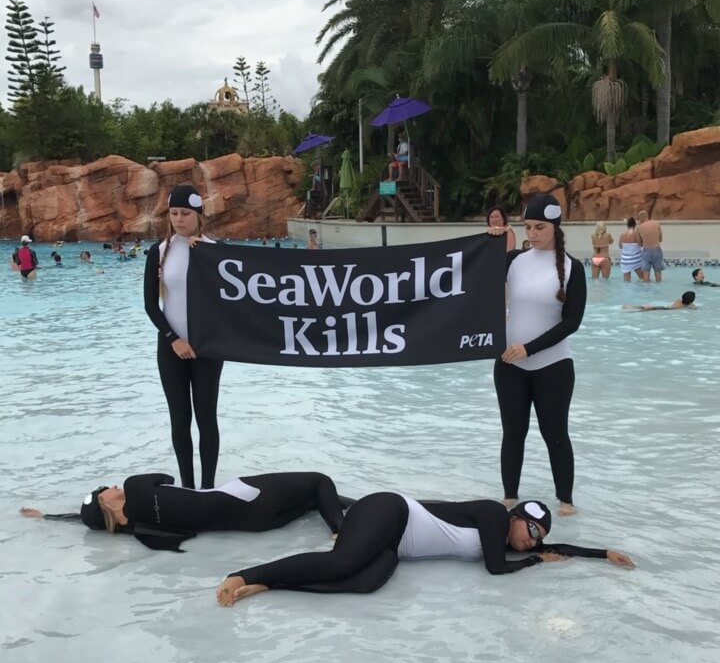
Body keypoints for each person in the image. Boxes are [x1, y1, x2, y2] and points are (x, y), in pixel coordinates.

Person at [215, 495, 634, 605]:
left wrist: (601, 554)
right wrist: (533, 562)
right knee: (342, 562)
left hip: (394, 543)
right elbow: (494, 570)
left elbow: (556, 549)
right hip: (391, 511)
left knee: (366, 582)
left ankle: (273, 586)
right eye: (530, 529)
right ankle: (246, 574)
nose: (534, 540)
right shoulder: (492, 515)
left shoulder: (510, 541)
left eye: (539, 536)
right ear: (513, 517)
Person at [488, 193, 587, 517]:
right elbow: (473, 280)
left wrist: (529, 348)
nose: (532, 233)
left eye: (539, 227)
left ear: (555, 227)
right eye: (528, 226)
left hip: (553, 366)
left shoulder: (573, 269)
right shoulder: (512, 260)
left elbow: (572, 322)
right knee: (513, 433)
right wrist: (488, 244)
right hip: (509, 366)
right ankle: (509, 496)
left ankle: (566, 500)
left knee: (555, 434)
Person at [20, 470, 350, 552]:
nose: (108, 485)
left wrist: (48, 517)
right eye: (102, 490)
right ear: (107, 502)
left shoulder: (139, 528)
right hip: (245, 495)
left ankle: (339, 517)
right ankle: (339, 529)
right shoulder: (134, 485)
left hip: (256, 523)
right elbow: (167, 478)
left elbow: (89, 519)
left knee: (310, 501)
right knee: (319, 483)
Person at [143, 184, 224, 490]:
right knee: (180, 419)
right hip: (171, 348)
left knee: (206, 418)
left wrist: (204, 255)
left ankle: (208, 488)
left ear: (198, 215)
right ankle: (187, 487)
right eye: (174, 213)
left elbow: (229, 304)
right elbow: (151, 305)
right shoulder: (159, 252)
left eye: (185, 214)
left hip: (207, 348)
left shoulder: (214, 251)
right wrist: (173, 338)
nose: (179, 219)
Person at [636, 210, 664, 282]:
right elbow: (660, 239)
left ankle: (646, 290)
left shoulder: (639, 228)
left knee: (646, 272)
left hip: (646, 251)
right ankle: (658, 286)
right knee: (658, 271)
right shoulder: (656, 224)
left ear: (640, 218)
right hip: (657, 249)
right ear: (647, 216)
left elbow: (639, 243)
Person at [619, 217, 643, 281]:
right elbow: (640, 244)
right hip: (636, 259)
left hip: (625, 260)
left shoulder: (622, 235)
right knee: (643, 278)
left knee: (626, 282)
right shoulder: (636, 234)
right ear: (635, 225)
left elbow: (620, 246)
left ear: (627, 225)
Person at [623, 291, 696, 312]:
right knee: (648, 309)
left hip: (665, 307)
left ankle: (631, 307)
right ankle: (631, 308)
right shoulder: (683, 306)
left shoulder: (678, 300)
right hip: (666, 309)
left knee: (647, 308)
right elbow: (692, 307)